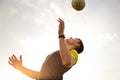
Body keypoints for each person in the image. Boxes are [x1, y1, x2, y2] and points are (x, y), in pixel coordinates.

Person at [8, 18, 84, 80]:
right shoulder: (57, 53)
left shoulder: (74, 53)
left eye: (74, 38)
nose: (71, 37)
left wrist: (61, 34)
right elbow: (39, 75)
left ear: (77, 44)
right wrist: (20, 68)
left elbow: (67, 62)